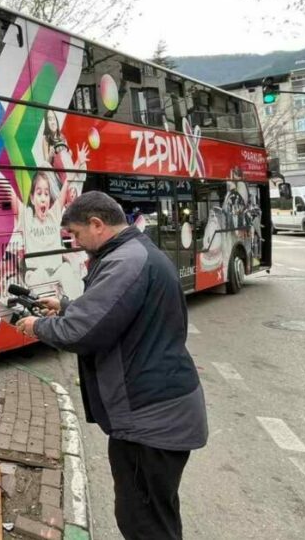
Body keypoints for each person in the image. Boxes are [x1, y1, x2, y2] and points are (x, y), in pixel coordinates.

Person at [15, 191, 207, 540]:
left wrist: (35, 326)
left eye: (75, 233)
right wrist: (65, 305)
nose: (74, 242)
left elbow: (81, 333)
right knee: (155, 515)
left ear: (97, 224)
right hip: (160, 411)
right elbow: (113, 313)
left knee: (143, 523)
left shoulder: (124, 262)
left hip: (150, 420)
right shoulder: (133, 253)